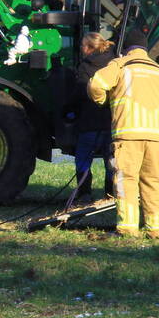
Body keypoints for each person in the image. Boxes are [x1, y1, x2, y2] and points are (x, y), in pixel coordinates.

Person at [89, 29, 159, 238]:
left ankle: (128, 229)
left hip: (127, 137)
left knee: (126, 181)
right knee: (153, 182)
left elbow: (96, 84)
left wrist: (103, 101)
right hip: (155, 139)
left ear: (125, 48)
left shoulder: (120, 65)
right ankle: (156, 230)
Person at [69, 32, 116, 203]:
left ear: (88, 48)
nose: (81, 48)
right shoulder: (114, 63)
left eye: (83, 45)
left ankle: (84, 193)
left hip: (89, 122)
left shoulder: (85, 67)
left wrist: (67, 110)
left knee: (83, 159)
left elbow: (79, 94)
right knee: (110, 161)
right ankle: (110, 194)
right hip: (111, 122)